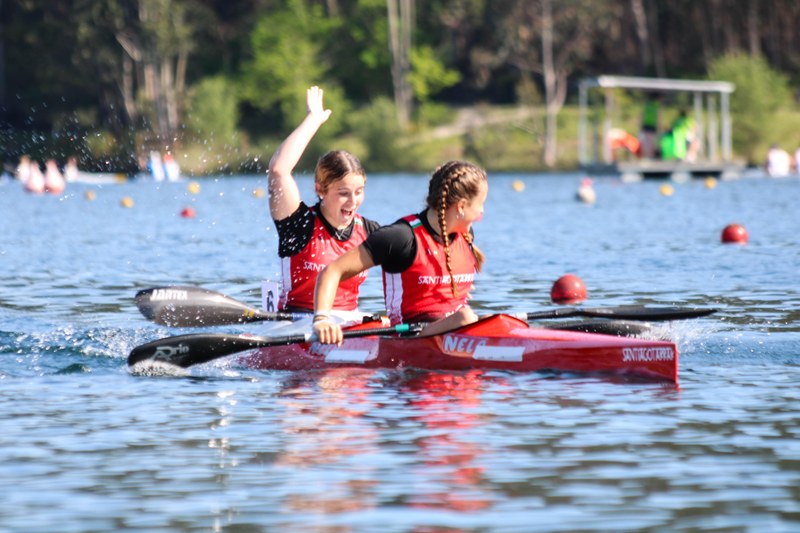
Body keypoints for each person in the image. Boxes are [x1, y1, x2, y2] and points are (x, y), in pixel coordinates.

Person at [312, 160, 488, 345]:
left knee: (490, 318)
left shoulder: (465, 236)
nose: (482, 211)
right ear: (461, 206)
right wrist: (322, 319)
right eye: (481, 204)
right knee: (466, 317)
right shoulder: (400, 237)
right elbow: (332, 271)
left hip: (456, 331)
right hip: (410, 337)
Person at [269, 85, 380, 314]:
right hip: (298, 322)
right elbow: (279, 170)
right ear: (320, 190)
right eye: (343, 193)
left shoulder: (370, 231)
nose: (353, 201)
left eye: (359, 191)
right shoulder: (299, 225)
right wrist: (314, 120)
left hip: (350, 325)